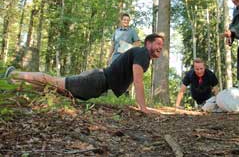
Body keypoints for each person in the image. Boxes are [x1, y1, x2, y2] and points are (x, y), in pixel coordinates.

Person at [3, 33, 164, 114]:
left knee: (52, 87)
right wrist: (143, 108)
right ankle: (15, 74)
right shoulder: (142, 53)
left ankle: (15, 84)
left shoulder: (143, 56)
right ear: (148, 43)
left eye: (162, 46)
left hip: (96, 81)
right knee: (51, 81)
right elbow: (138, 81)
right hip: (95, 81)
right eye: (157, 43)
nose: (160, 47)